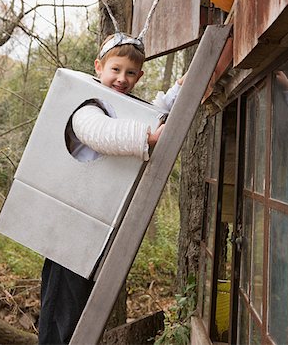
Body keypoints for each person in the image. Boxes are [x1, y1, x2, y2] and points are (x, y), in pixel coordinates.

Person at [38, 33, 186, 344]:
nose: (122, 79)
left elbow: (152, 110)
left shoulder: (125, 111)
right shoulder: (86, 106)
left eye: (130, 73)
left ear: (140, 76)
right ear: (99, 68)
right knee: (61, 306)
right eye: (115, 70)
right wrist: (148, 137)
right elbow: (101, 132)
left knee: (82, 306)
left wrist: (180, 90)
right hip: (69, 223)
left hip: (98, 225)